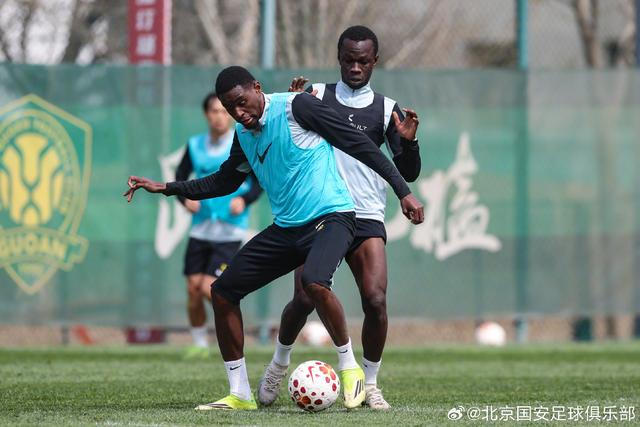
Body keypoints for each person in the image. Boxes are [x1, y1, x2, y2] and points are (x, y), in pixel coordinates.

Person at [123, 65, 424, 411]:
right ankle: (240, 393)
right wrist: (168, 187)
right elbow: (224, 180)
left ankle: (350, 367)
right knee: (222, 292)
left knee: (315, 282)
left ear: (257, 87)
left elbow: (359, 145)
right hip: (288, 229)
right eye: (229, 107)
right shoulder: (243, 134)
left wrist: (403, 192)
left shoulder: (297, 106)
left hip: (333, 217)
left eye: (241, 102)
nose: (238, 113)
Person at [258, 25, 421, 410]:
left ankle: (370, 384)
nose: (355, 67)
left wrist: (409, 142)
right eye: (348, 60)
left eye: (363, 61)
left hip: (364, 214)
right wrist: (291, 109)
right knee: (304, 298)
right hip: (320, 212)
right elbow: (284, 137)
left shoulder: (387, 109)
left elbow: (408, 172)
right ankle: (278, 365)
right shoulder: (315, 95)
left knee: (376, 300)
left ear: (375, 61)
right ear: (339, 58)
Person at [176, 92, 262, 359]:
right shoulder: (195, 145)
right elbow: (180, 176)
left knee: (208, 288)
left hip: (230, 230)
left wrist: (244, 199)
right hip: (200, 228)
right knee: (193, 289)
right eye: (214, 111)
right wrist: (184, 199)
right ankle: (200, 344)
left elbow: (259, 180)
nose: (219, 117)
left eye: (224, 111)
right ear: (206, 114)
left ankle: (234, 327)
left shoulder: (242, 141)